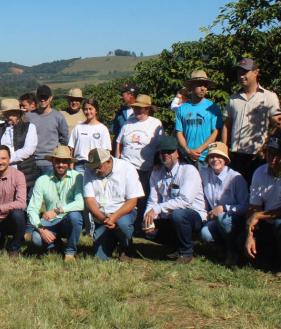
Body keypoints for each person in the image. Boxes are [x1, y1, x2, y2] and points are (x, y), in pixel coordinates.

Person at [143, 136, 207, 264]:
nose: (166, 155)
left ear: (177, 153)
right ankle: (177, 247)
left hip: (192, 216)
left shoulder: (189, 170)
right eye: (162, 152)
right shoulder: (156, 173)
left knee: (178, 214)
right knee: (145, 227)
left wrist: (157, 209)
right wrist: (147, 218)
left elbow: (184, 201)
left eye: (169, 151)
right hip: (169, 217)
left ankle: (187, 253)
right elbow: (152, 200)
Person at [222, 58, 281, 184]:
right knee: (236, 193)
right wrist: (224, 150)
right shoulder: (233, 99)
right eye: (239, 73)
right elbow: (227, 126)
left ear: (255, 72)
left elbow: (278, 125)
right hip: (236, 155)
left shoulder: (269, 97)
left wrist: (266, 148)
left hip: (256, 156)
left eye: (245, 72)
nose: (241, 76)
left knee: (256, 193)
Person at [246, 132, 281, 274]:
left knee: (280, 224)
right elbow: (253, 207)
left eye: (277, 154)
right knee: (241, 236)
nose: (273, 158)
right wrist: (249, 236)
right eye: (269, 153)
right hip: (266, 224)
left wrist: (258, 216)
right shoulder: (259, 172)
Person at [83, 147, 143, 262]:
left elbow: (132, 201)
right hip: (102, 218)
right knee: (99, 258)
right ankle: (113, 240)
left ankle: (126, 248)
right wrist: (103, 218)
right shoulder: (89, 172)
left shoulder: (127, 168)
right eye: (93, 167)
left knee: (123, 223)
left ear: (109, 162)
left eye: (98, 167)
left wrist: (114, 217)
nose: (95, 171)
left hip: (123, 213)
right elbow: (90, 201)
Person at [27, 146, 85, 262]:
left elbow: (80, 203)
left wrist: (57, 210)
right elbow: (32, 209)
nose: (61, 165)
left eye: (64, 162)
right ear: (52, 161)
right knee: (36, 239)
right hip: (51, 222)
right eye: (58, 161)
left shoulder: (77, 177)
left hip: (68, 220)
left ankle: (70, 252)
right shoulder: (42, 180)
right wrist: (41, 229)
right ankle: (55, 245)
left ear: (69, 162)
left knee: (75, 216)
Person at [114, 94, 165, 225]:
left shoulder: (155, 123)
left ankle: (140, 224)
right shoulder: (128, 122)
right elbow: (119, 143)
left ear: (148, 109)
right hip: (126, 167)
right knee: (125, 196)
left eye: (141, 108)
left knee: (142, 197)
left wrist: (156, 164)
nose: (137, 111)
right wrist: (117, 162)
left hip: (144, 168)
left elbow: (160, 146)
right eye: (136, 108)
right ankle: (124, 222)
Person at [199, 143, 248, 266]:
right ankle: (222, 247)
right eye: (211, 156)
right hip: (216, 220)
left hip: (235, 220)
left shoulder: (236, 178)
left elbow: (246, 206)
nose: (215, 159)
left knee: (223, 218)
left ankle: (233, 252)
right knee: (205, 234)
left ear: (225, 159)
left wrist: (224, 208)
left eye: (218, 156)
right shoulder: (204, 174)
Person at [0, 99, 39, 195]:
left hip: (25, 171)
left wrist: (7, 159)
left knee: (24, 202)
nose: (7, 117)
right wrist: (2, 160)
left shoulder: (30, 127)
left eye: (10, 114)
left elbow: (29, 149)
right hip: (3, 172)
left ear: (18, 113)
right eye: (5, 114)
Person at [175, 70, 223, 165]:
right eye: (199, 85)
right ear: (191, 87)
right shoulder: (182, 109)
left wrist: (199, 150)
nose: (203, 88)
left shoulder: (213, 107)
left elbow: (215, 132)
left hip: (205, 157)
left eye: (205, 86)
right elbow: (179, 132)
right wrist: (186, 150)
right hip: (186, 157)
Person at [26, 85, 70, 178]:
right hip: (32, 162)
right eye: (40, 97)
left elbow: (64, 138)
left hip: (51, 162)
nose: (42, 100)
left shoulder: (58, 117)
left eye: (45, 97)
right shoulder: (28, 117)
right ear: (37, 98)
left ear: (51, 98)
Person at [68, 97, 113, 164]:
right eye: (86, 109)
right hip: (79, 164)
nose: (88, 112)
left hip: (96, 164)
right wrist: (71, 167)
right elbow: (71, 150)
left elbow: (106, 152)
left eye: (90, 109)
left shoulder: (102, 129)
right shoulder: (78, 128)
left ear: (96, 110)